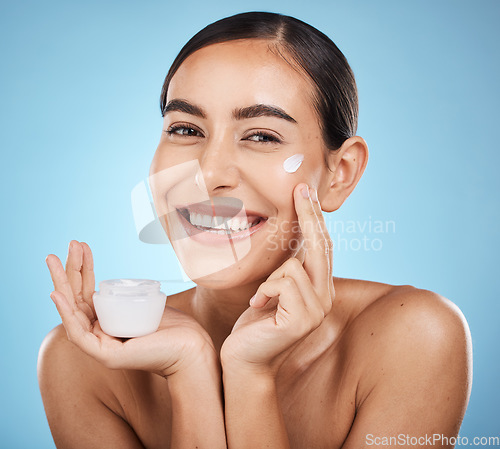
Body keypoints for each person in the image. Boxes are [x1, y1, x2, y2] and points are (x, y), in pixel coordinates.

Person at [38, 11, 472, 449]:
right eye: (186, 129)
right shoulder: (85, 359)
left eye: (262, 136)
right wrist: (191, 371)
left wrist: (250, 375)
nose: (208, 173)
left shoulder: (415, 337)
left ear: (340, 173)